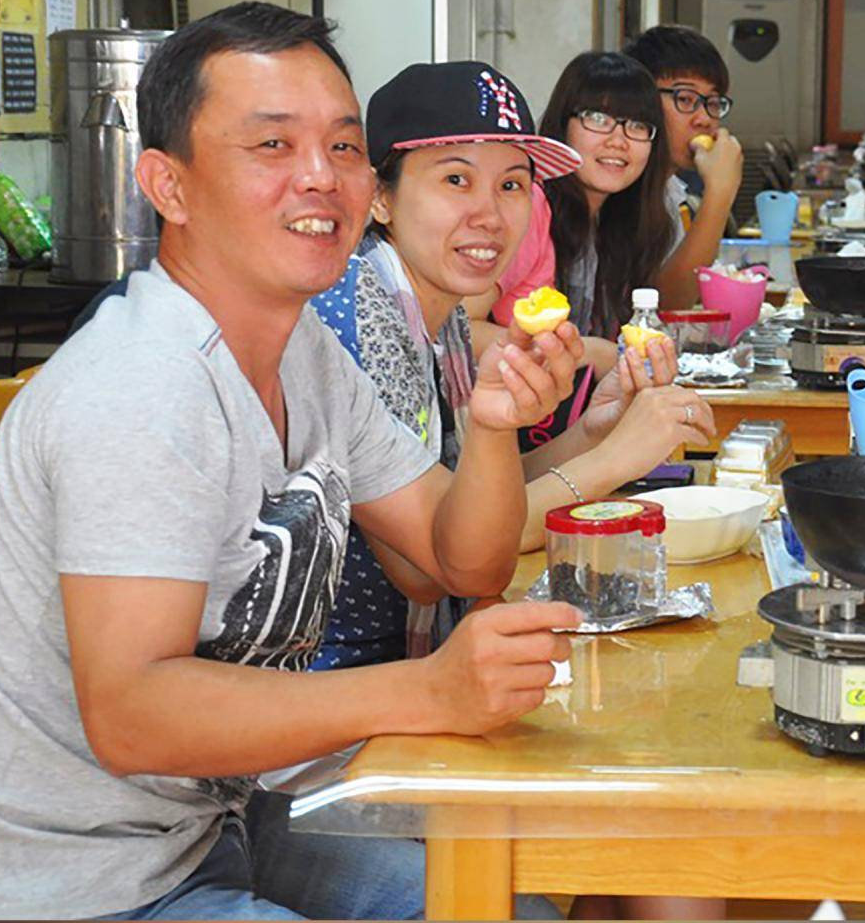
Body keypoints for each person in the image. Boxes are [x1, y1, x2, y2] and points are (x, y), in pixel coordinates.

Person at [0, 3, 583, 921]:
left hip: (213, 824)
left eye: (342, 148)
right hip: (58, 883)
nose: (321, 180)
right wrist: (430, 690)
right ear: (167, 186)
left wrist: (492, 425)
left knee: (515, 910)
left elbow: (464, 559)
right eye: (271, 146)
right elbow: (133, 713)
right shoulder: (142, 386)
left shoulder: (303, 351)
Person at [303, 59, 716, 671]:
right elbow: (430, 567)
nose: (490, 216)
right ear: (379, 196)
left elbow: (462, 499)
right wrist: (614, 461)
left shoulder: (436, 314)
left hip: (421, 665)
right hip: (344, 701)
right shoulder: (358, 313)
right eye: (455, 180)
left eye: (512, 185)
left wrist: (590, 432)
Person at [540, 51, 681, 339]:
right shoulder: (530, 209)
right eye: (598, 118)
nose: (618, 141)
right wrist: (593, 352)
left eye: (638, 125)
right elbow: (465, 327)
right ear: (562, 124)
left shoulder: (627, 222)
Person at [624, 25, 744, 311]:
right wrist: (720, 193)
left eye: (713, 103)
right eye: (686, 99)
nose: (704, 119)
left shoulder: (670, 189)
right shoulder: (618, 186)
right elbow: (665, 308)